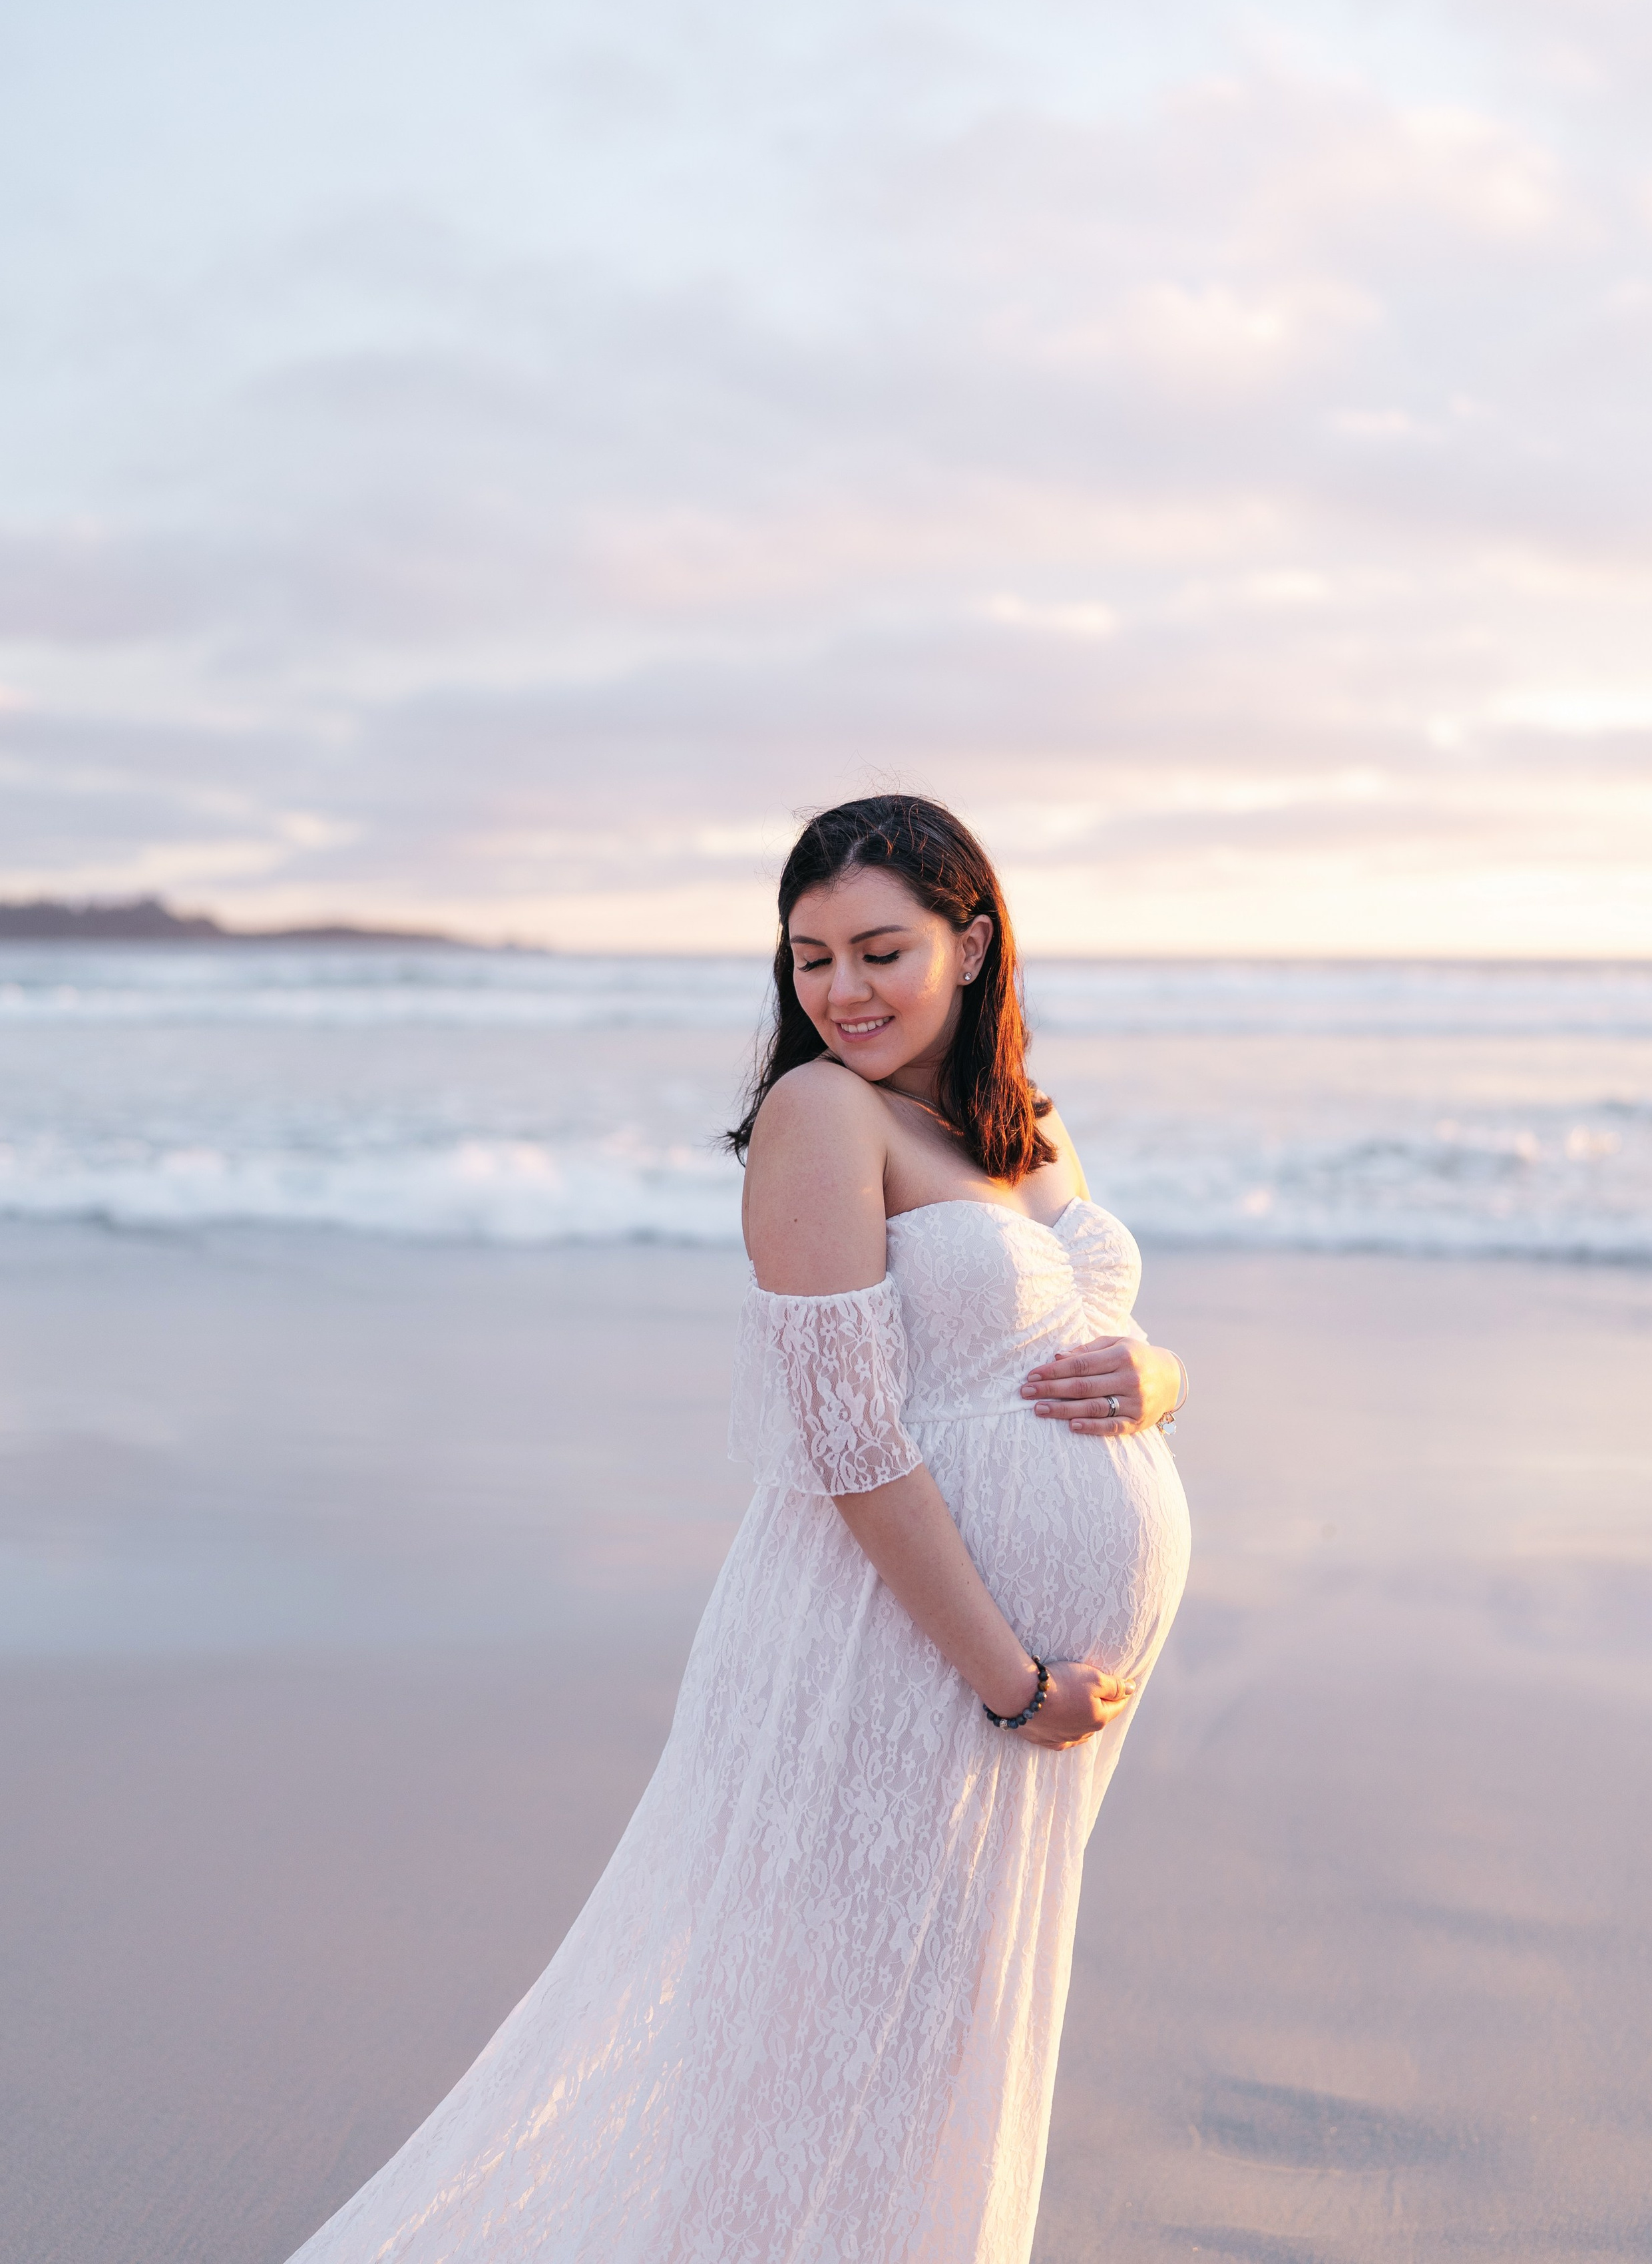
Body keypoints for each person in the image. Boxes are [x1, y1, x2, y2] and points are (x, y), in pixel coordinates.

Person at [286, 793, 1191, 2264]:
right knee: (802, 2065)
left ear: (971, 945)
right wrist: (1008, 1680)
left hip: (1008, 1696)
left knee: (930, 2060)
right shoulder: (816, 1114)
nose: (841, 993)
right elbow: (845, 1442)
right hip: (889, 1657)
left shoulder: (1034, 1132)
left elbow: (1095, 1338)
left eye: (879, 951)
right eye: (809, 959)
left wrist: (1165, 1377)